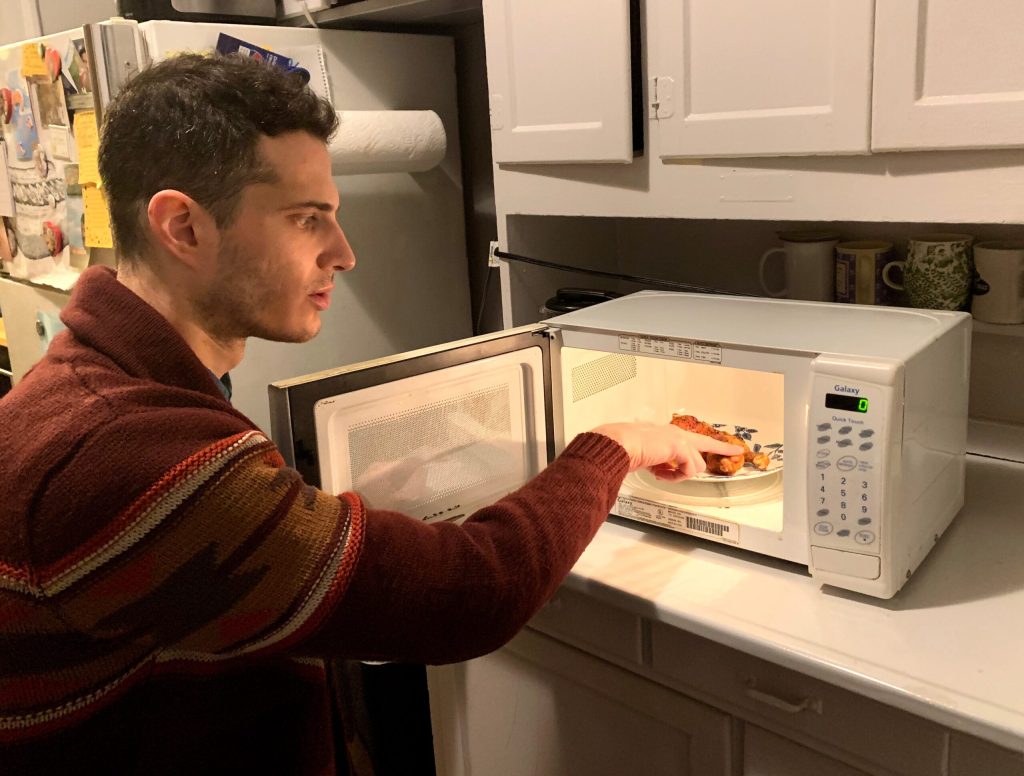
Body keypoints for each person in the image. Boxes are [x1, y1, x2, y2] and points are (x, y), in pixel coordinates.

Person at [0, 54, 741, 774]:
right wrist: (615, 445)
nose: (344, 253)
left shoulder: (99, 386)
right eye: (306, 218)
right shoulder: (137, 451)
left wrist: (310, 513)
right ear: (183, 227)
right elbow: (474, 593)